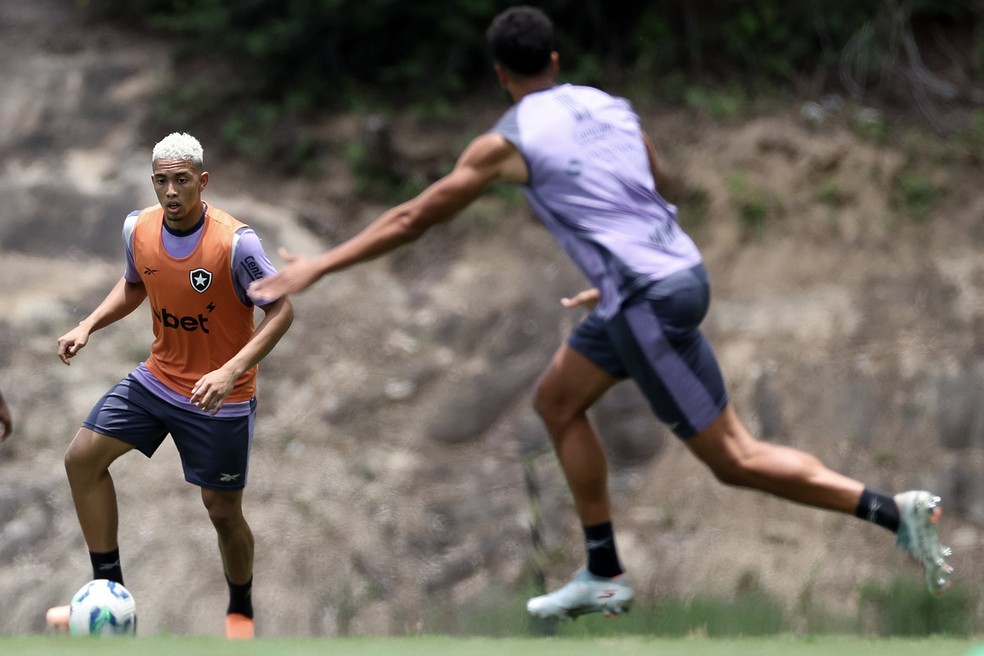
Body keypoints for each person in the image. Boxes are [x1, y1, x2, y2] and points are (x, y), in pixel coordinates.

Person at [248, 6, 952, 620]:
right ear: (555, 61)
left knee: (733, 458)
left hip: (645, 297)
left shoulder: (506, 141)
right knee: (556, 400)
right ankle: (601, 571)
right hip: (659, 280)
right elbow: (656, 180)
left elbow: (412, 219)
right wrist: (618, 269)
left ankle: (894, 511)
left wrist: (318, 265)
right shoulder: (611, 106)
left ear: (500, 73)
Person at [47, 133, 294, 639]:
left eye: (181, 180)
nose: (171, 191)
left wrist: (229, 372)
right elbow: (135, 282)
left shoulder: (235, 242)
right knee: (81, 459)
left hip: (220, 397)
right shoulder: (138, 228)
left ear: (202, 182)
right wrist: (87, 325)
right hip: (158, 379)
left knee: (222, 512)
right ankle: (110, 598)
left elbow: (282, 309)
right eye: (161, 180)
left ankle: (240, 612)